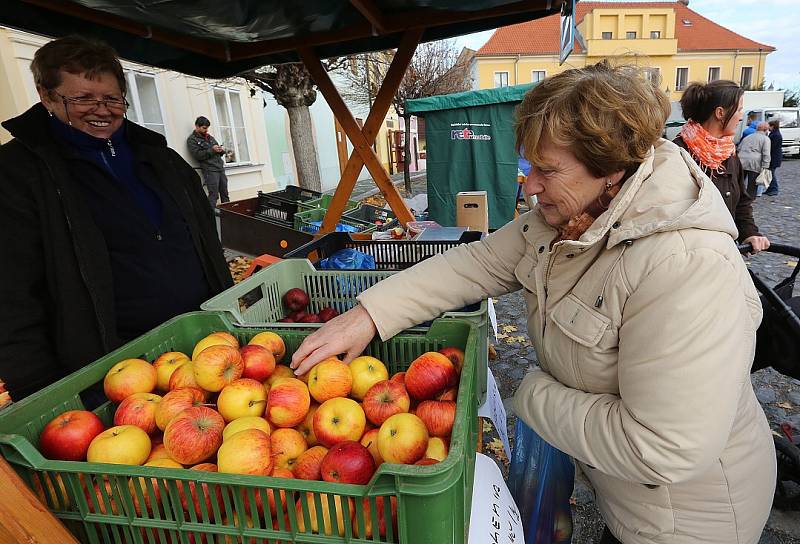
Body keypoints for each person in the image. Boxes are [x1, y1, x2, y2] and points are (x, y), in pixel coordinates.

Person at [290, 62, 775, 544]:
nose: (531, 184)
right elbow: (476, 263)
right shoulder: (569, 215)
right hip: (623, 496)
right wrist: (367, 315)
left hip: (689, 520)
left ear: (609, 169)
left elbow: (662, 449)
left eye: (547, 169)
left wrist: (532, 396)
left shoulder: (684, 264)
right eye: (529, 165)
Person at [0, 36, 233, 400]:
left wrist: (226, 313)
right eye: (82, 99)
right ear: (46, 96)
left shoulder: (162, 158)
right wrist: (38, 392)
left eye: (111, 98)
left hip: (205, 349)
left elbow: (207, 243)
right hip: (109, 373)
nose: (101, 110)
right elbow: (12, 294)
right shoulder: (17, 175)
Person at [673, 80, 770, 253]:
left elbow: (741, 202)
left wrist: (749, 233)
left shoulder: (729, 152)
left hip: (725, 252)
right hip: (690, 256)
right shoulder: (678, 152)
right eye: (739, 109)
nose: (741, 116)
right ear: (720, 113)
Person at [187, 116, 230, 210]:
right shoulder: (192, 140)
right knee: (213, 194)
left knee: (225, 193)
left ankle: (228, 214)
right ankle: (211, 217)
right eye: (204, 128)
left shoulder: (210, 137)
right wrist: (212, 150)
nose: (206, 130)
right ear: (197, 126)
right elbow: (198, 155)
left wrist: (221, 150)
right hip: (210, 170)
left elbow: (218, 151)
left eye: (207, 128)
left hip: (220, 168)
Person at [738, 122, 771, 197]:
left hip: (741, 161)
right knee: (752, 185)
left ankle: (739, 198)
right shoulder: (765, 139)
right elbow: (766, 153)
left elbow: (739, 148)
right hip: (755, 163)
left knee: (740, 182)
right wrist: (765, 166)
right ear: (766, 130)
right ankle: (749, 200)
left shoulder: (748, 137)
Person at [765, 119, 782, 196]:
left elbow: (772, 147)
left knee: (771, 173)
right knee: (770, 173)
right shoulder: (775, 133)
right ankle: (770, 188)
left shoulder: (775, 135)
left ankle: (774, 189)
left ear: (772, 126)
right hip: (775, 157)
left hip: (774, 157)